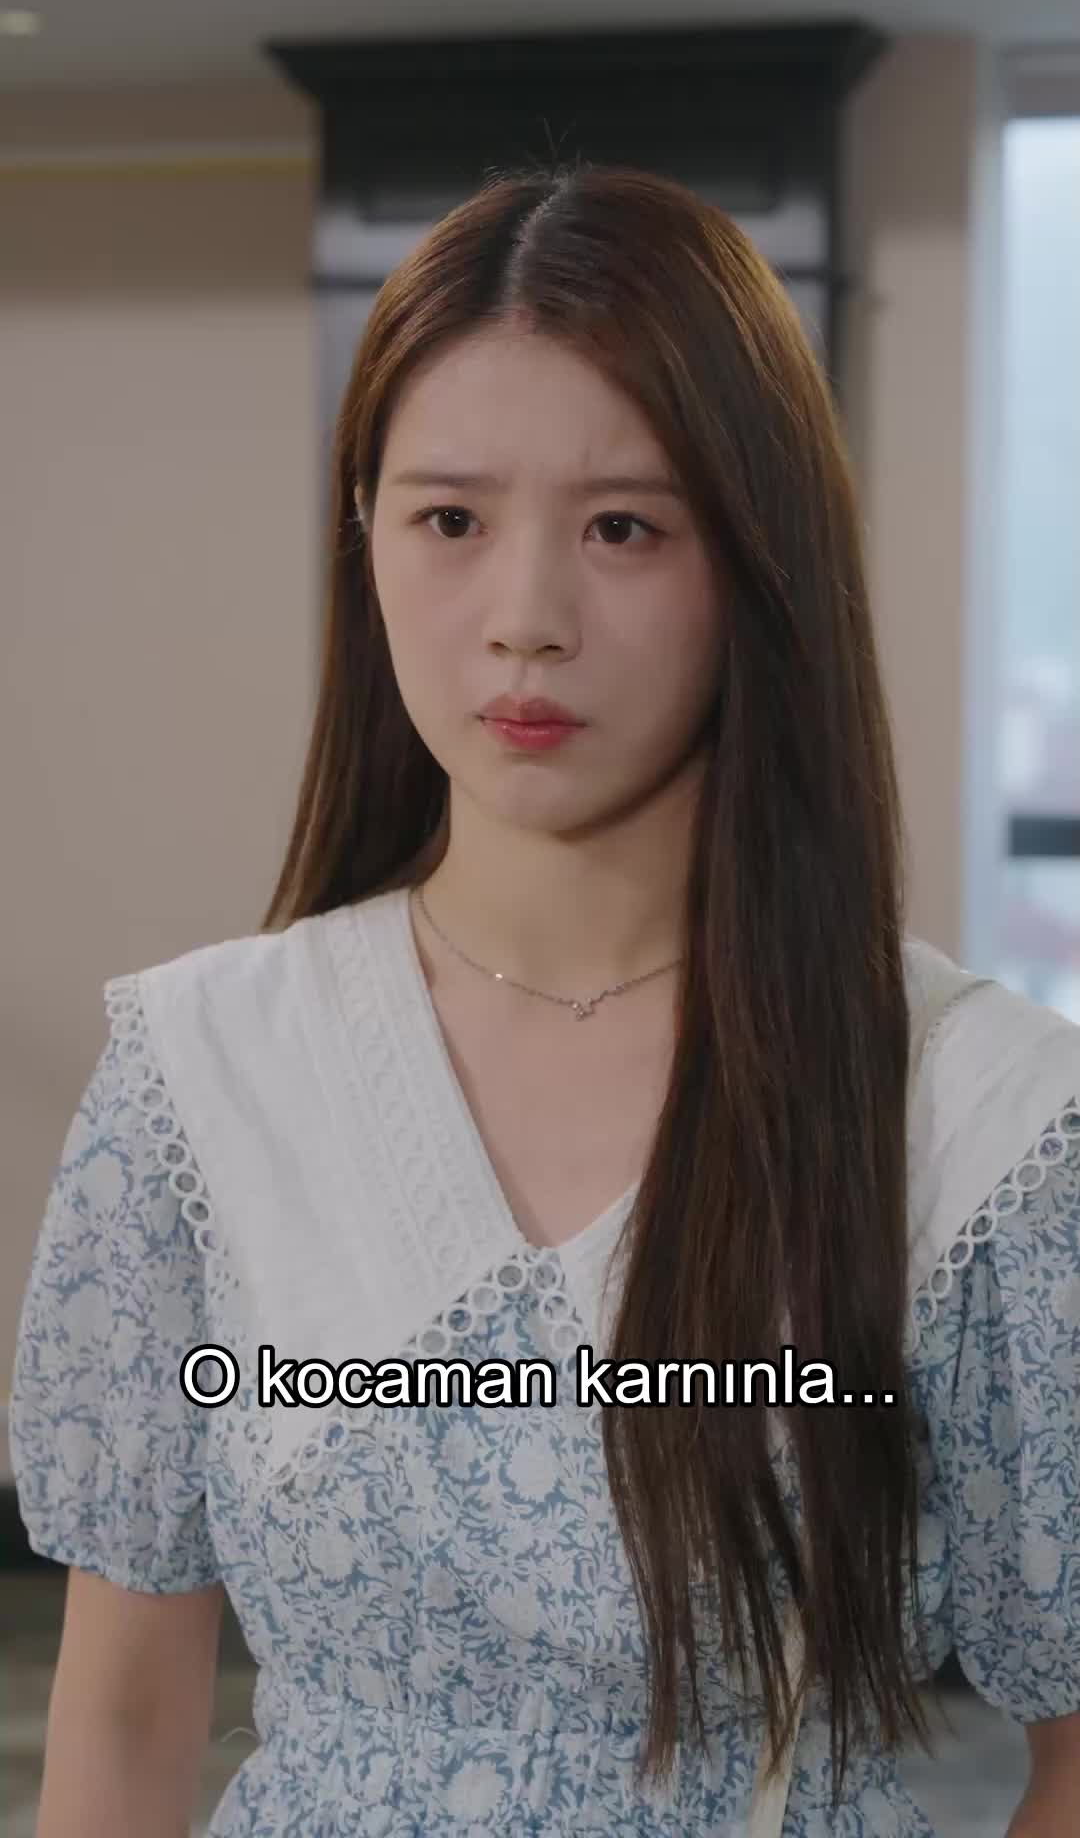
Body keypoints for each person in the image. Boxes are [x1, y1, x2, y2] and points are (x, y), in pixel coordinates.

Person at [10, 162, 1080, 1838]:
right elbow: (124, 1726)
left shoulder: (974, 1117)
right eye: (450, 520)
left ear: (760, 556)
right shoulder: (203, 1078)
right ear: (364, 536)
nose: (524, 622)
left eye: (623, 528)